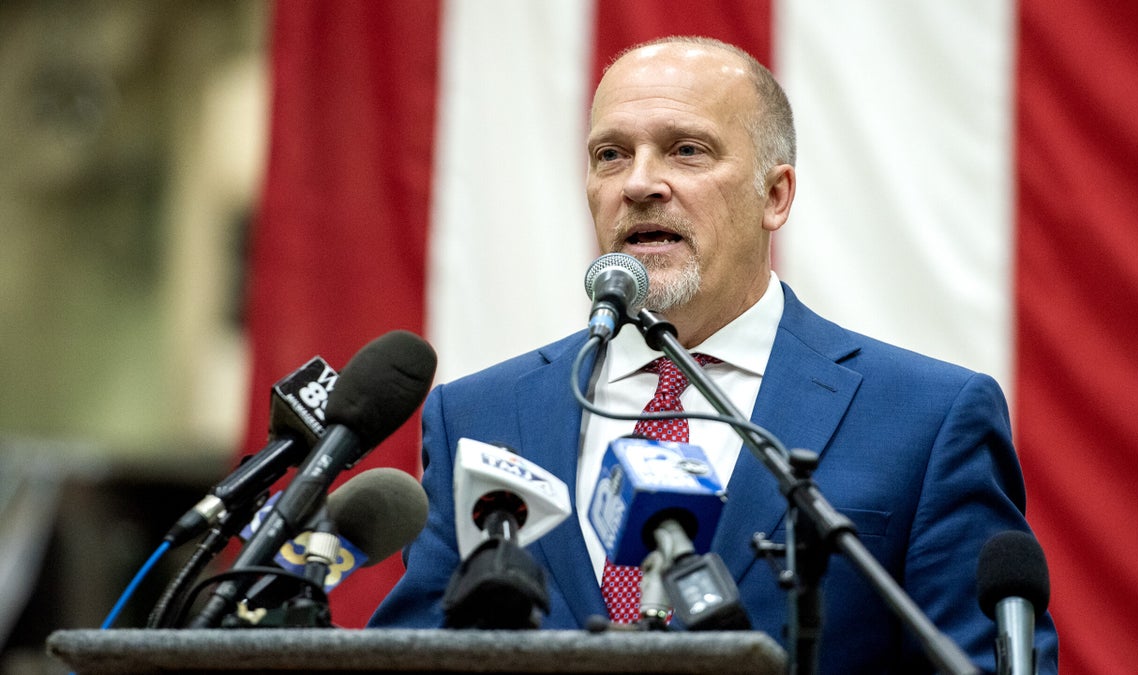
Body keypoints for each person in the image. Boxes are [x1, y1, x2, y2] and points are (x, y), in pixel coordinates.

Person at [369, 36, 1058, 673]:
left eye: (686, 150)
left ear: (776, 194)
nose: (639, 183)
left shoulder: (924, 419)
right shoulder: (479, 416)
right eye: (611, 154)